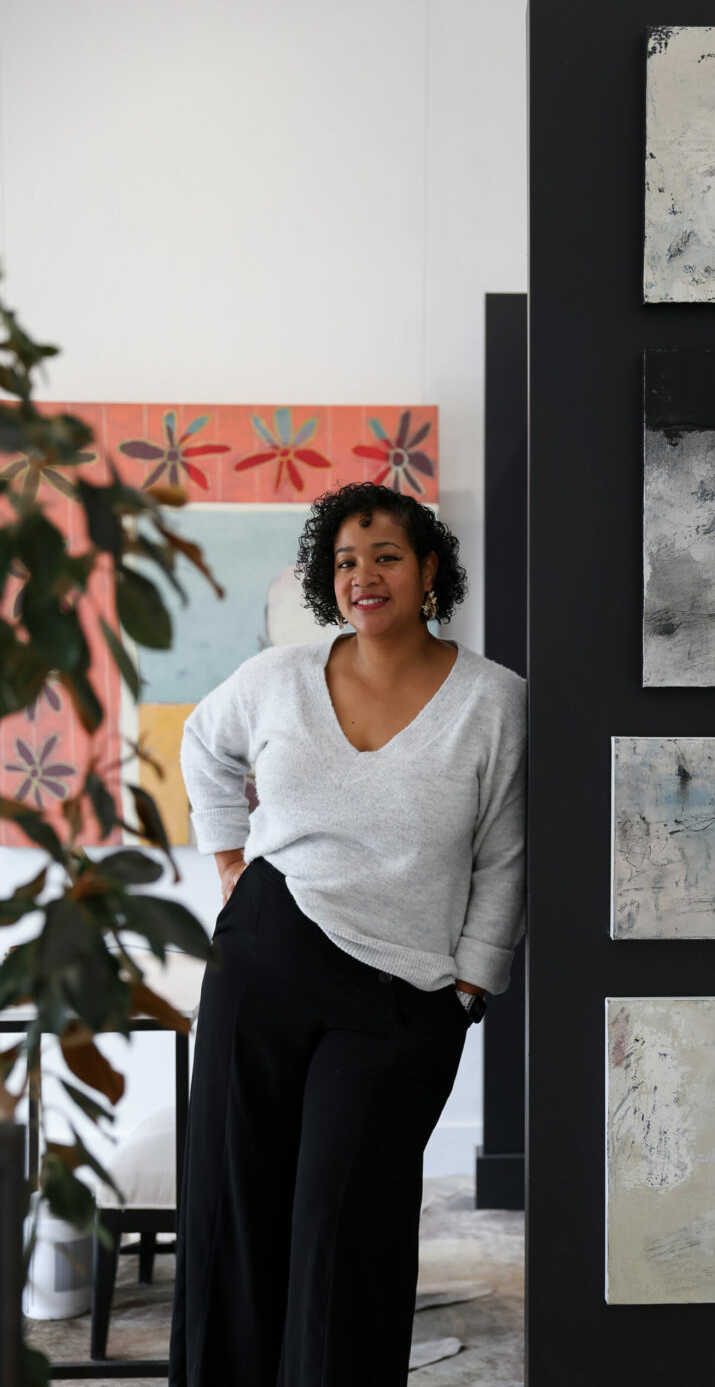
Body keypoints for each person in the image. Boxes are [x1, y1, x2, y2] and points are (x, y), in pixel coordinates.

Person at [168, 482, 526, 1386]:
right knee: (232, 1210)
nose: (365, 577)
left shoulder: (495, 703)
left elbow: (508, 853)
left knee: (346, 1234)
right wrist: (226, 863)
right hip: (265, 962)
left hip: (400, 998)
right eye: (346, 562)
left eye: (387, 557)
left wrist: (475, 982)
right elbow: (203, 745)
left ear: (430, 568)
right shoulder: (278, 677)